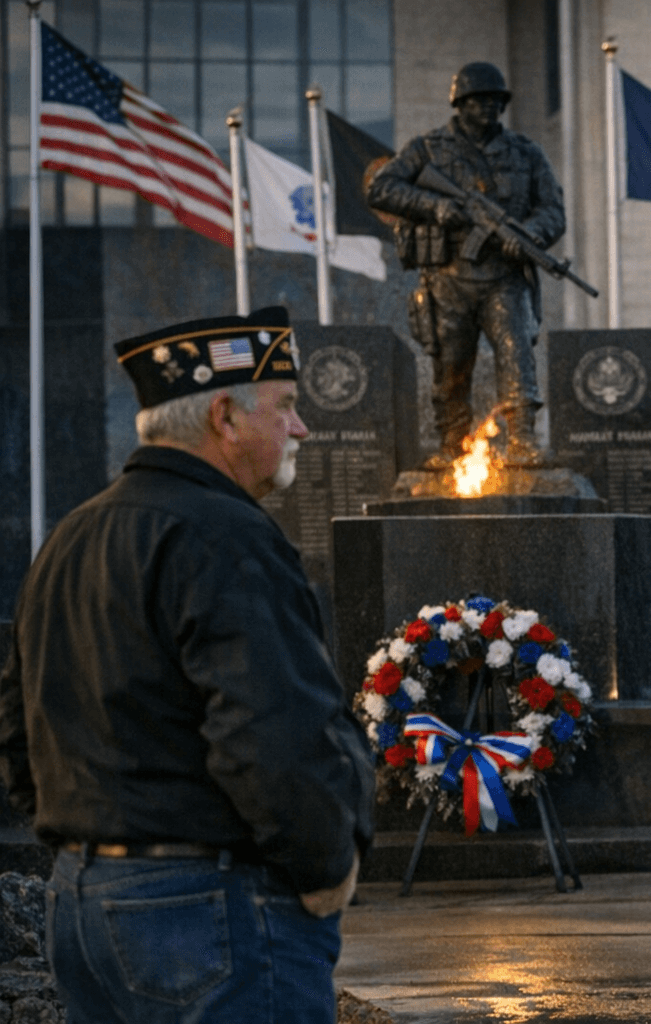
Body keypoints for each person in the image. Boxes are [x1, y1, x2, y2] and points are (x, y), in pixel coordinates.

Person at [0, 308, 375, 1024]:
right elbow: (273, 733)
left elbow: (19, 736)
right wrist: (327, 867)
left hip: (83, 904)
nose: (301, 429)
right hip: (212, 913)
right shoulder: (228, 536)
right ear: (226, 418)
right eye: (287, 407)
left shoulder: (70, 537)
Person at [367, 61, 565, 468]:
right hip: (448, 277)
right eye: (478, 101)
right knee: (451, 365)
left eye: (494, 101)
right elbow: (382, 188)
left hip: (505, 277)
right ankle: (452, 444)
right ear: (459, 103)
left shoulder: (526, 153)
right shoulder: (428, 148)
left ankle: (523, 441)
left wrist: (529, 234)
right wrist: (437, 207)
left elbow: (552, 210)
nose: (487, 108)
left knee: (516, 356)